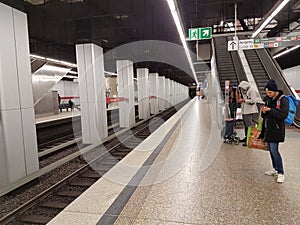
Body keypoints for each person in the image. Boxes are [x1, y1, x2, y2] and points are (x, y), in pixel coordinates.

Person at [259, 79, 289, 183]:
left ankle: (281, 173)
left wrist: (270, 110)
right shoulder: (268, 99)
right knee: (271, 150)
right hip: (268, 128)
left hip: (277, 129)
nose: (268, 94)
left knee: (275, 150)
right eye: (267, 92)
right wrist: (264, 111)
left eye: (270, 92)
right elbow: (265, 115)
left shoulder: (283, 100)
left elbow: (283, 115)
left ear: (275, 91)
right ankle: (275, 168)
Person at [236, 81, 259, 146]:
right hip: (245, 111)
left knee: (249, 126)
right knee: (246, 126)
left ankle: (250, 140)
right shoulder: (246, 91)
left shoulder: (252, 90)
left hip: (249, 111)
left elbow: (253, 100)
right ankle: (246, 138)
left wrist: (244, 100)